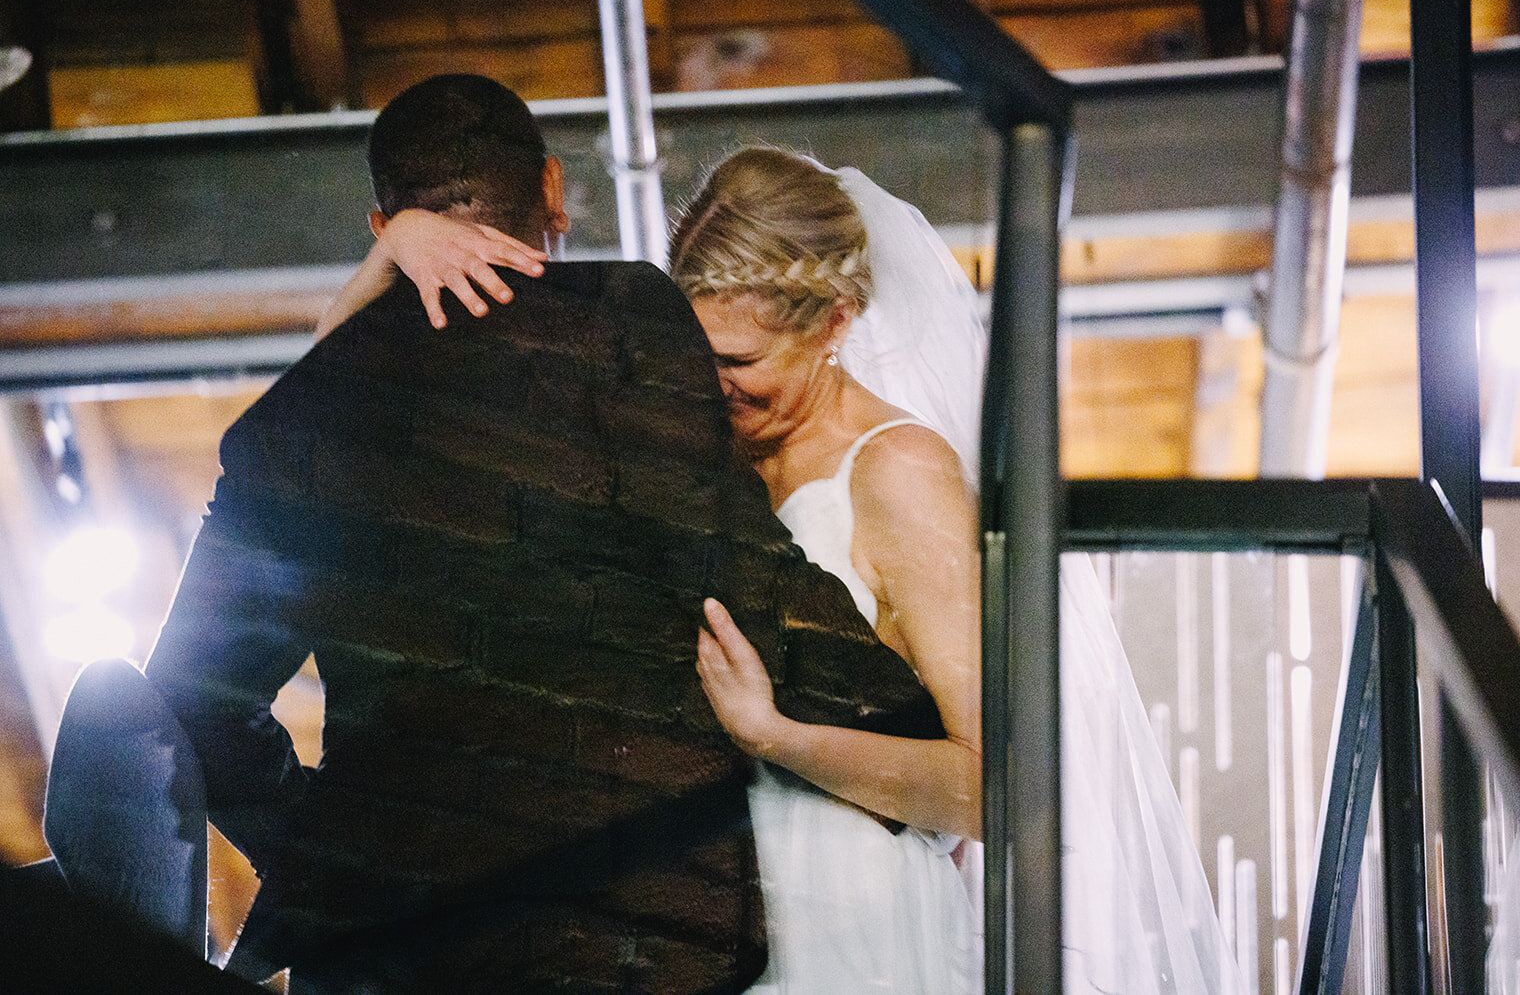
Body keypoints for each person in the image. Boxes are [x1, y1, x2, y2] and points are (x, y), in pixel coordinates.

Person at [35, 77, 944, 993]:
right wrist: (901, 723)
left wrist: (351, 857)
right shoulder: (627, 324)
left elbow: (192, 708)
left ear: (379, 227)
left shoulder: (293, 422)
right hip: (639, 954)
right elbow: (742, 579)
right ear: (552, 189)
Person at [354, 146, 1244, 993]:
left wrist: (776, 736)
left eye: (742, 361)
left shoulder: (899, 474)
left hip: (854, 938)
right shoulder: (697, 446)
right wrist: (390, 253)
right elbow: (372, 442)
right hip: (698, 928)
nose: (713, 383)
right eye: (696, 352)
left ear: (834, 323)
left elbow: (996, 788)